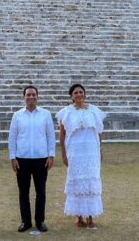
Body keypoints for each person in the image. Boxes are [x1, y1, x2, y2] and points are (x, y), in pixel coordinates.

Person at [57, 83, 106, 229]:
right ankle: (79, 218)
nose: (79, 94)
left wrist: (100, 151)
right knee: (77, 184)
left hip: (91, 154)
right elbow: (62, 135)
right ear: (71, 96)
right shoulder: (65, 112)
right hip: (75, 154)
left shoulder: (94, 111)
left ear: (85, 94)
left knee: (90, 184)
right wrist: (64, 155)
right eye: (75, 93)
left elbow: (99, 132)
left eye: (81, 92)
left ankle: (91, 217)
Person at [9, 85, 55, 233]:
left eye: (33, 94)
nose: (31, 97)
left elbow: (50, 136)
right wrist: (12, 157)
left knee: (41, 191)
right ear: (24, 97)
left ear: (37, 96)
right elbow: (12, 137)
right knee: (23, 192)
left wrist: (51, 155)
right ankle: (26, 221)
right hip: (22, 159)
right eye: (28, 95)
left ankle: (40, 221)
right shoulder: (17, 115)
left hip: (41, 158)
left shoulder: (45, 114)